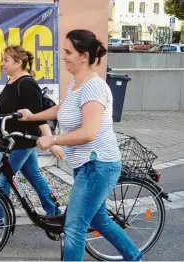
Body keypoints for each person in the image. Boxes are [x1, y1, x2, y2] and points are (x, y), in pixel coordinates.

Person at [17, 29, 143, 261]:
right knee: (99, 220)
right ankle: (134, 257)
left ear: (83, 56)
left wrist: (53, 139)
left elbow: (88, 133)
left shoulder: (94, 87)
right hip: (87, 165)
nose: (63, 56)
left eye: (68, 52)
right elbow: (60, 110)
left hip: (99, 165)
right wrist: (31, 117)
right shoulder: (76, 84)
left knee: (74, 228)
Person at [0, 44, 63, 228]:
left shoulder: (26, 83)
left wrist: (52, 141)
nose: (2, 64)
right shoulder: (12, 80)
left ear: (19, 62)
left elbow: (39, 116)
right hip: (12, 140)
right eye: (2, 60)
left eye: (6, 60)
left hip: (21, 142)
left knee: (2, 179)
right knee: (34, 177)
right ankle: (54, 212)